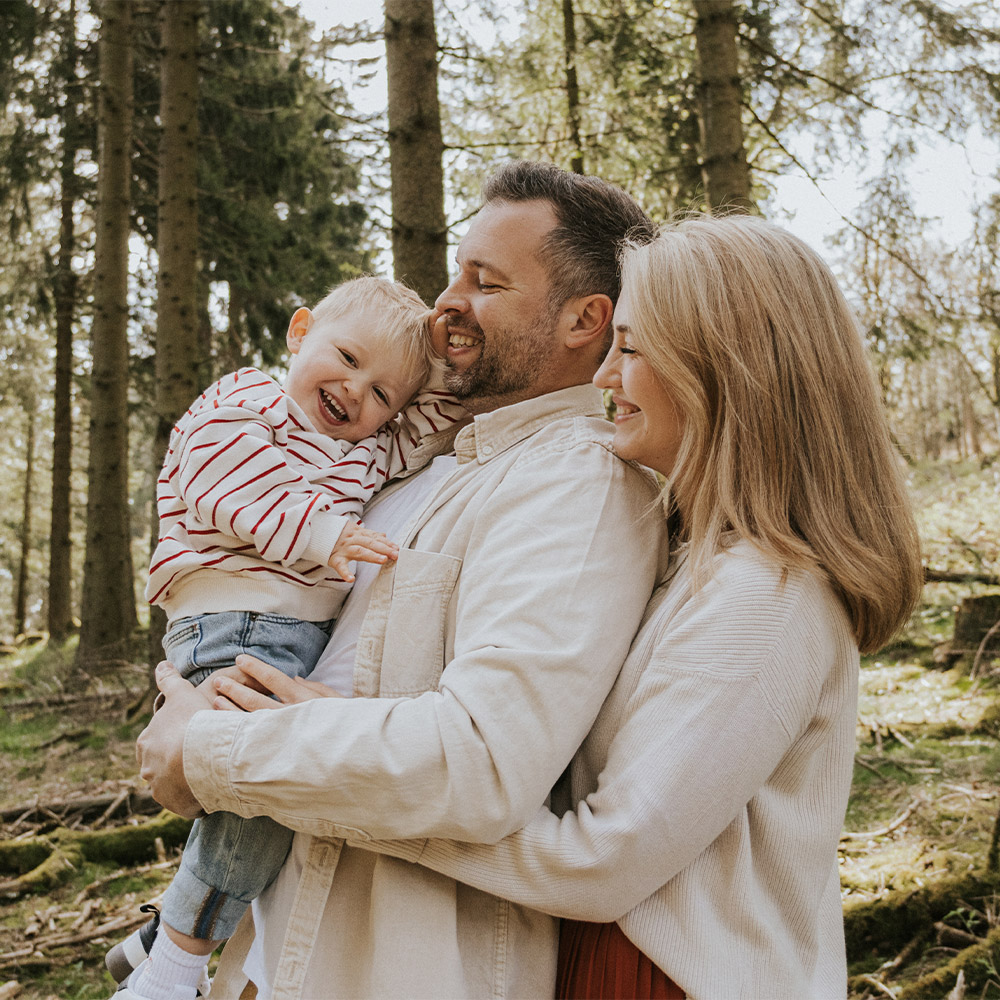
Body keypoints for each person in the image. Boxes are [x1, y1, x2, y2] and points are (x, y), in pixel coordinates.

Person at [215, 214, 922, 998]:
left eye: (633, 348)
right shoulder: (700, 559)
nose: (608, 376)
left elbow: (601, 860)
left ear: (724, 370)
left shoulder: (769, 593)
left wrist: (326, 789)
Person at [134, 161, 668, 999]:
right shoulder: (434, 465)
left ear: (583, 320)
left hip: (393, 969)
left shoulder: (577, 485)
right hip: (278, 954)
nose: (446, 303)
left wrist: (209, 750)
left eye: (484, 282)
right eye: (455, 272)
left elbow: (482, 764)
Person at [111, 276, 467, 1000]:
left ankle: (153, 941)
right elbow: (226, 485)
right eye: (346, 356)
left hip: (285, 628)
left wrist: (445, 352)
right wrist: (324, 534)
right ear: (300, 332)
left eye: (382, 394)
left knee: (280, 781)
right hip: (236, 615)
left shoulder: (366, 448)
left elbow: (437, 419)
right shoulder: (248, 402)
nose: (355, 392)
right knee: (268, 787)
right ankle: (174, 967)